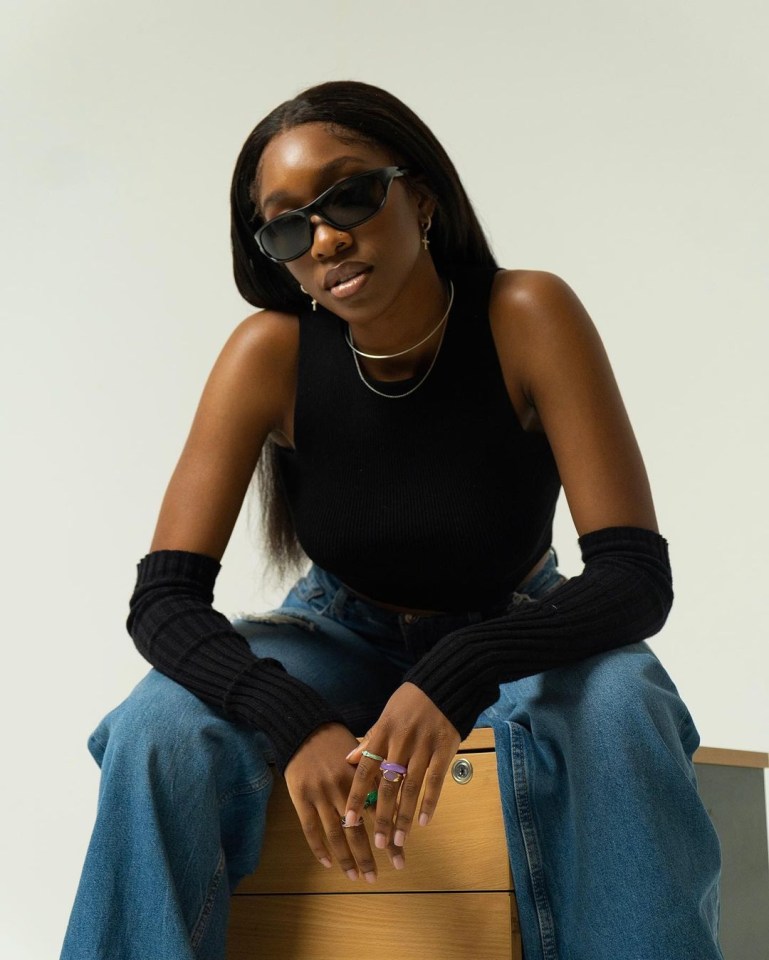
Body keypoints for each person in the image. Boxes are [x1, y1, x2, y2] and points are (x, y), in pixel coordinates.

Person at [60, 80, 723, 960]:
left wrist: (461, 669)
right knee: (157, 730)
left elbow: (633, 578)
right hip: (337, 632)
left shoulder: (526, 314)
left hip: (518, 625)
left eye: (350, 194)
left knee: (621, 707)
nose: (327, 237)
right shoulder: (268, 352)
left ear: (421, 196)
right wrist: (289, 716)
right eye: (288, 225)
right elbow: (164, 604)